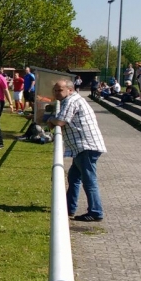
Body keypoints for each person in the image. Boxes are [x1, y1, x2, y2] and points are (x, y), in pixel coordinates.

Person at [48, 79, 107, 221]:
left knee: (89, 181)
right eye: (55, 90)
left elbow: (60, 121)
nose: (57, 93)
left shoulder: (71, 101)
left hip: (86, 146)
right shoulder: (71, 100)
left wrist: (50, 120)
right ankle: (69, 207)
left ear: (70, 90)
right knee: (73, 177)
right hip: (81, 148)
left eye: (60, 90)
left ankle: (96, 212)